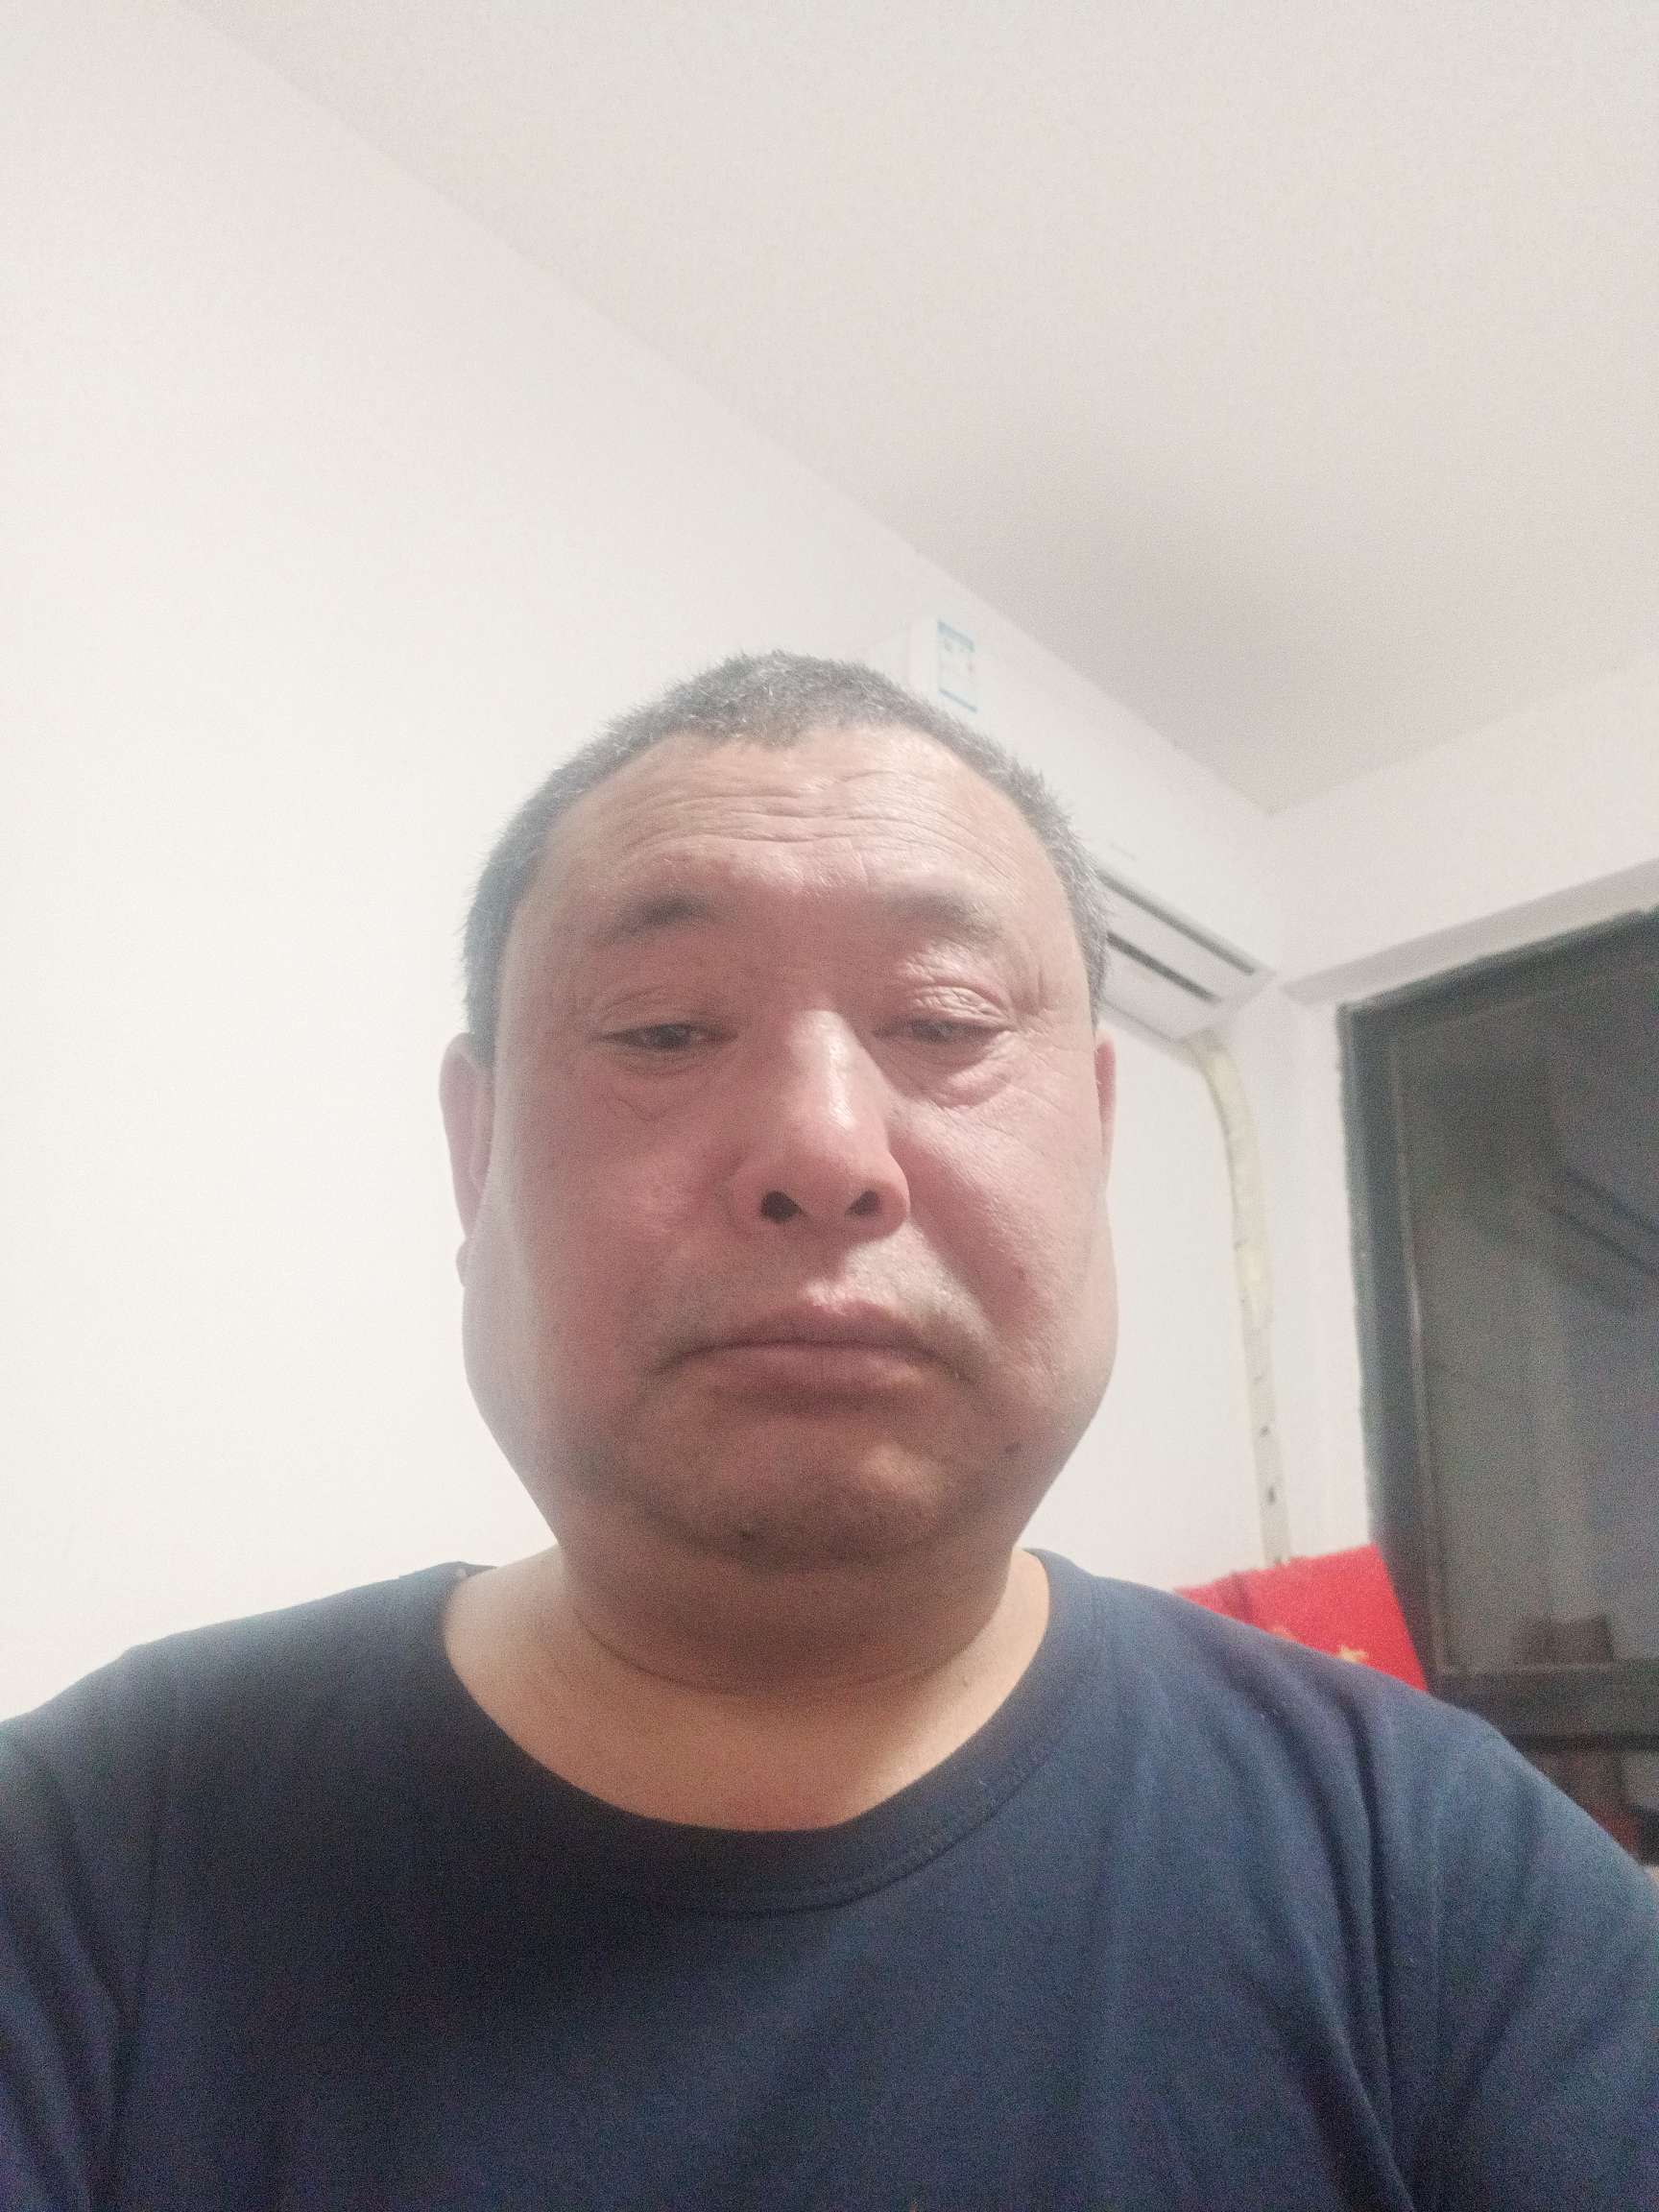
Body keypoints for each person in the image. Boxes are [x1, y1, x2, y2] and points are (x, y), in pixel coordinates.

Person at [3, 652, 1655, 2210]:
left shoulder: (1435, 1868)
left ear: (1093, 1135)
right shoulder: (94, 1852)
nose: (823, 1148)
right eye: (662, 1029)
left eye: (943, 1020)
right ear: (475, 1153)